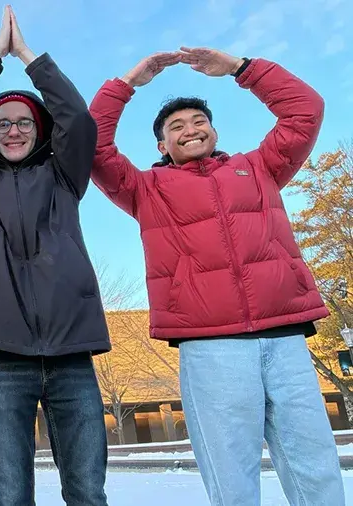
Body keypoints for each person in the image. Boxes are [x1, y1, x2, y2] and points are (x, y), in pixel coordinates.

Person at [89, 47, 345, 505]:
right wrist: (128, 83)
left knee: (316, 469)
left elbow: (305, 110)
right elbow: (93, 146)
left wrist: (240, 69)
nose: (190, 129)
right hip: (212, 347)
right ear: (162, 146)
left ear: (214, 130)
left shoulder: (259, 168)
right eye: (176, 127)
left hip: (285, 340)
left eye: (198, 121)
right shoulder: (146, 189)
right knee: (233, 479)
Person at [0, 5, 110, 505]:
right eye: (2, 123)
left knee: (86, 490)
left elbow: (76, 118)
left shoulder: (64, 177)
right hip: (0, 355)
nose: (14, 130)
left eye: (25, 123)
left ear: (40, 129)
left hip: (71, 351)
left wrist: (29, 57)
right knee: (11, 495)